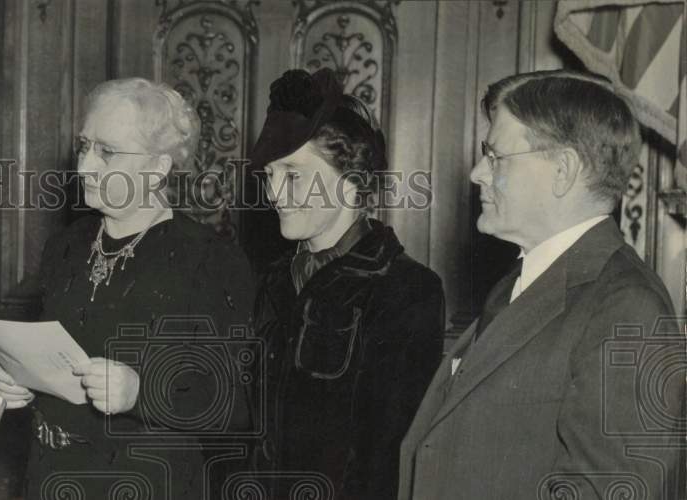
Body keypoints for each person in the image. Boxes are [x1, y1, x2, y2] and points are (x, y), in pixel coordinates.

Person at [399, 70, 686, 499]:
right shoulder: (519, 283)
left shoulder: (628, 305)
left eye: (494, 156)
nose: (477, 172)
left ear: (562, 170)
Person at [0, 78, 255, 499]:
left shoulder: (209, 259)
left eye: (107, 152)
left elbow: (236, 405)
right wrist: (17, 379)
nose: (84, 167)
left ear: (157, 167)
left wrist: (141, 391)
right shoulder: (67, 245)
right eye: (84, 146)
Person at [247, 68, 444, 499]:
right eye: (269, 175)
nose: (274, 193)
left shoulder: (405, 289)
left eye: (293, 175)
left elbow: (386, 459)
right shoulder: (274, 281)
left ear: (352, 180)